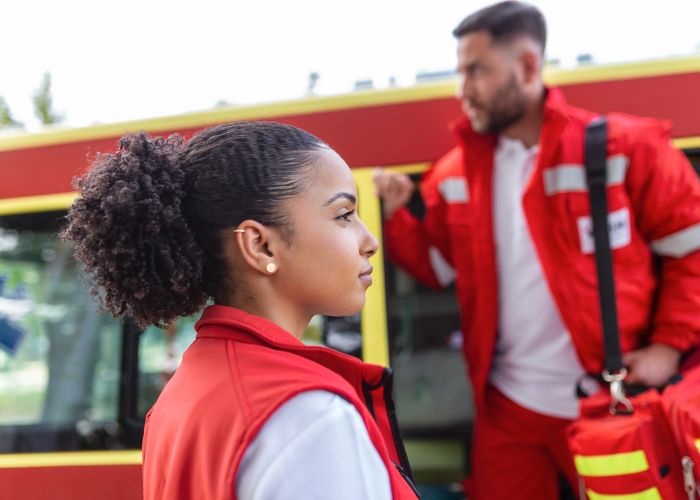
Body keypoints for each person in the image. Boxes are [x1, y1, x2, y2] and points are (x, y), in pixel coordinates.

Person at [373, 2, 700, 498]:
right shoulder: (455, 175)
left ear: (527, 66)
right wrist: (398, 217)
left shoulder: (626, 149)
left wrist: (669, 347)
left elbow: (693, 250)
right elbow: (437, 268)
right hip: (508, 412)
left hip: (614, 400)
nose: (462, 91)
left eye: (475, 71)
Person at [62, 122, 419, 500]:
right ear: (260, 246)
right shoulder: (311, 415)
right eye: (344, 214)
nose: (370, 241)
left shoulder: (181, 395)